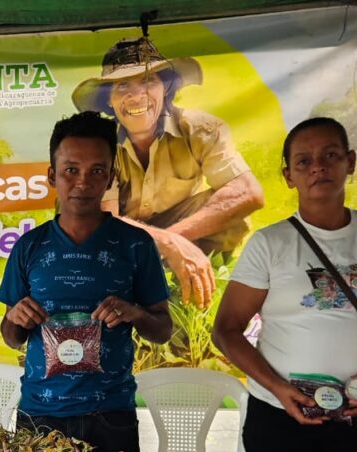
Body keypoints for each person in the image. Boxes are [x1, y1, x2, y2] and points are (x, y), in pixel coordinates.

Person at [212, 117, 357, 452]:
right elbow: (226, 330)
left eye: (330, 155)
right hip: (280, 416)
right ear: (289, 176)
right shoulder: (269, 244)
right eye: (304, 161)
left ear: (350, 162)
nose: (318, 167)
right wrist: (277, 388)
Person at [0, 111, 172, 452]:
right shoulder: (30, 247)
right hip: (41, 414)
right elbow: (11, 337)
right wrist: (16, 319)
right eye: (71, 170)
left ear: (111, 178)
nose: (83, 182)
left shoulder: (135, 244)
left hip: (111, 415)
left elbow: (162, 330)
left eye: (97, 171)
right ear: (52, 175)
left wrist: (135, 313)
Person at [72, 36, 264, 308]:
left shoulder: (200, 128)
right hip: (121, 239)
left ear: (166, 88)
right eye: (122, 85)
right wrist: (167, 244)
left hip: (178, 226)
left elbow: (248, 193)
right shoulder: (99, 146)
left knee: (232, 211)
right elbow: (102, 222)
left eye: (148, 81)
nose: (137, 95)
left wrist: (172, 239)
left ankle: (196, 295)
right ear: (109, 100)